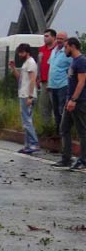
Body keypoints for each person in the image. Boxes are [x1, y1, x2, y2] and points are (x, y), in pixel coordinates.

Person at [53, 37, 86, 171]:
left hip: (79, 102)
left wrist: (74, 99)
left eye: (66, 47)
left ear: (72, 46)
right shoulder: (74, 62)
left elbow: (82, 82)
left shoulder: (82, 61)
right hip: (70, 101)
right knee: (64, 128)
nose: (64, 50)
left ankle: (83, 160)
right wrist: (68, 99)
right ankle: (66, 158)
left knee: (82, 131)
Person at [10, 43, 39, 154]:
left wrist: (30, 96)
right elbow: (20, 79)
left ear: (27, 52)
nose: (20, 54)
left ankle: (34, 143)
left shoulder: (31, 63)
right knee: (26, 121)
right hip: (23, 94)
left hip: (27, 95)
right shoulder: (26, 64)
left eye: (21, 52)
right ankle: (28, 144)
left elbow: (32, 80)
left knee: (27, 121)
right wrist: (13, 68)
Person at [48, 31, 72, 134]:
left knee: (62, 110)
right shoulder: (54, 51)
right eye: (57, 38)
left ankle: (64, 132)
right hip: (53, 85)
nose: (58, 41)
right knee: (56, 111)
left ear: (66, 40)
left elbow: (72, 67)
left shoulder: (67, 53)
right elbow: (51, 66)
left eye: (61, 39)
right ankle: (58, 132)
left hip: (62, 85)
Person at [37, 29, 56, 125]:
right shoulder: (41, 49)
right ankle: (47, 128)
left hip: (54, 82)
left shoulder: (57, 49)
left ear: (53, 37)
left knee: (55, 106)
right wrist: (38, 77)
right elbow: (39, 64)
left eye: (47, 36)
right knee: (44, 106)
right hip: (44, 81)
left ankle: (57, 128)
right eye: (44, 36)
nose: (45, 38)